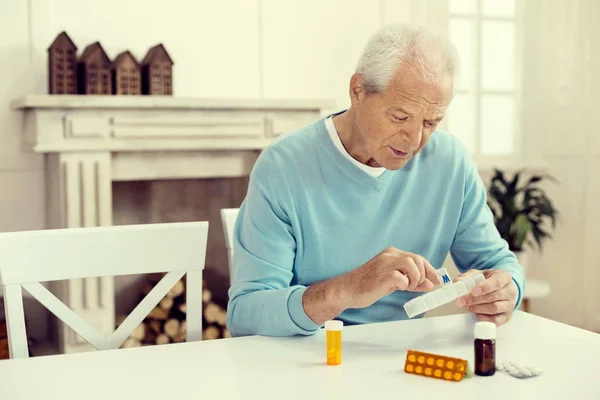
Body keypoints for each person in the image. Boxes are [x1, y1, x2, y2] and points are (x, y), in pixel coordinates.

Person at [226, 22, 524, 337]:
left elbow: (499, 264)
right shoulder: (283, 166)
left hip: (400, 360)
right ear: (358, 91)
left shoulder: (450, 163)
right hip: (310, 359)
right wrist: (344, 290)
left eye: (431, 122)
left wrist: (506, 290)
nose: (414, 140)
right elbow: (246, 315)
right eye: (400, 117)